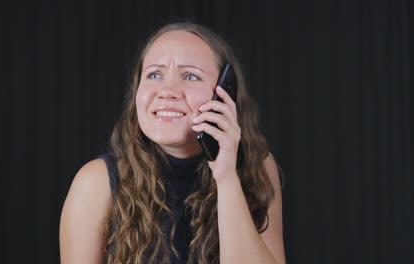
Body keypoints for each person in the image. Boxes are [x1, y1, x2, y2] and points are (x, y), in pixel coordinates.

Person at [59, 22, 285, 264]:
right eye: (154, 74)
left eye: (190, 76)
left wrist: (227, 178)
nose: (167, 91)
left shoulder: (257, 167)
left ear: (224, 93)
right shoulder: (95, 183)